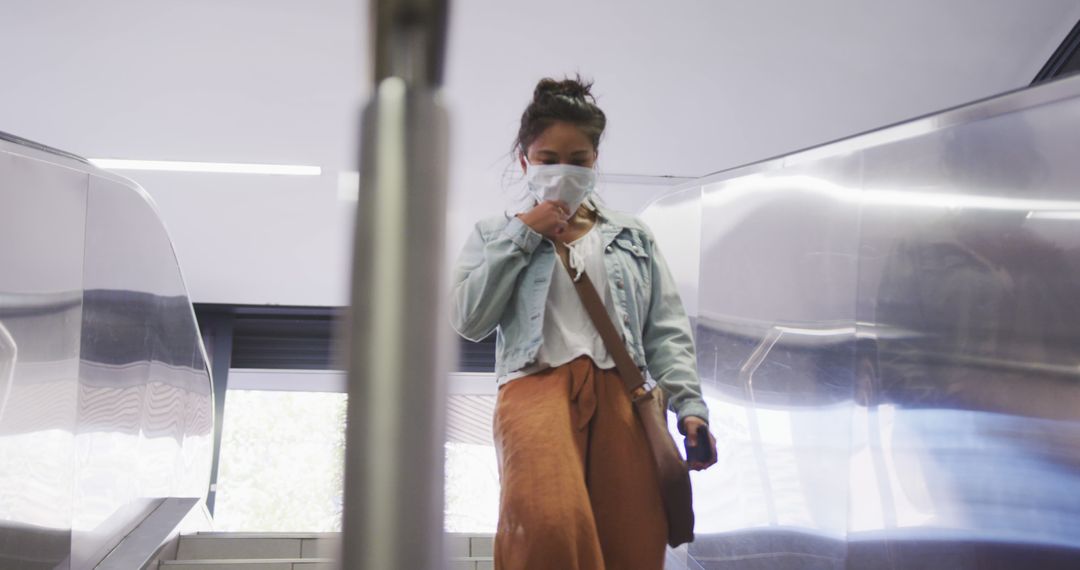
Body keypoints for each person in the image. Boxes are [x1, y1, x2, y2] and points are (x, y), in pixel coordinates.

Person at [450, 76, 716, 570]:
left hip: (624, 394)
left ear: (595, 162)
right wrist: (521, 235)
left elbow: (665, 329)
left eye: (579, 158)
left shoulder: (632, 235)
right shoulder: (493, 234)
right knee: (549, 527)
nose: (563, 169)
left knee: (632, 539)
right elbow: (469, 319)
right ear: (524, 161)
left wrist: (689, 407)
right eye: (548, 159)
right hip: (535, 390)